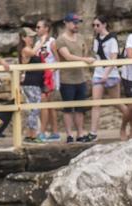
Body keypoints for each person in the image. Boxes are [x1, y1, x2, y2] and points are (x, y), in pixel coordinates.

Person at [55, 12, 93, 143]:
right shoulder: (61, 39)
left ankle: (80, 133)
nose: (76, 25)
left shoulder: (81, 37)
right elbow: (67, 56)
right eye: (74, 22)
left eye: (77, 23)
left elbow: (85, 50)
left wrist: (85, 57)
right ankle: (69, 134)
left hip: (80, 78)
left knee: (80, 108)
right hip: (67, 79)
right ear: (66, 23)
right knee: (68, 108)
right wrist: (85, 59)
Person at [90, 15, 126, 141]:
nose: (95, 27)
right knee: (96, 103)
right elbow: (97, 56)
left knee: (116, 102)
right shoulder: (96, 40)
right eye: (94, 25)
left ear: (104, 25)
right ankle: (93, 133)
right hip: (98, 73)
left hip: (111, 73)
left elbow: (113, 58)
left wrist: (106, 74)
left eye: (98, 25)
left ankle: (131, 121)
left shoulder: (112, 40)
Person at [34, 18, 60, 142]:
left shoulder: (52, 42)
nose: (37, 30)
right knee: (49, 106)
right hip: (40, 77)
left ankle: (43, 132)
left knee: (45, 104)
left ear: (46, 29)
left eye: (39, 27)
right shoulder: (38, 43)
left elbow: (57, 60)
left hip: (49, 78)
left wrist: (51, 73)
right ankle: (55, 132)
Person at [18, 27, 44, 143]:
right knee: (34, 109)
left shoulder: (29, 48)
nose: (32, 39)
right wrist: (42, 41)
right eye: (29, 37)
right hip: (30, 83)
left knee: (34, 109)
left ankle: (30, 134)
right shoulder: (25, 49)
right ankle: (32, 135)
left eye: (33, 37)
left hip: (35, 82)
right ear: (23, 38)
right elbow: (33, 53)